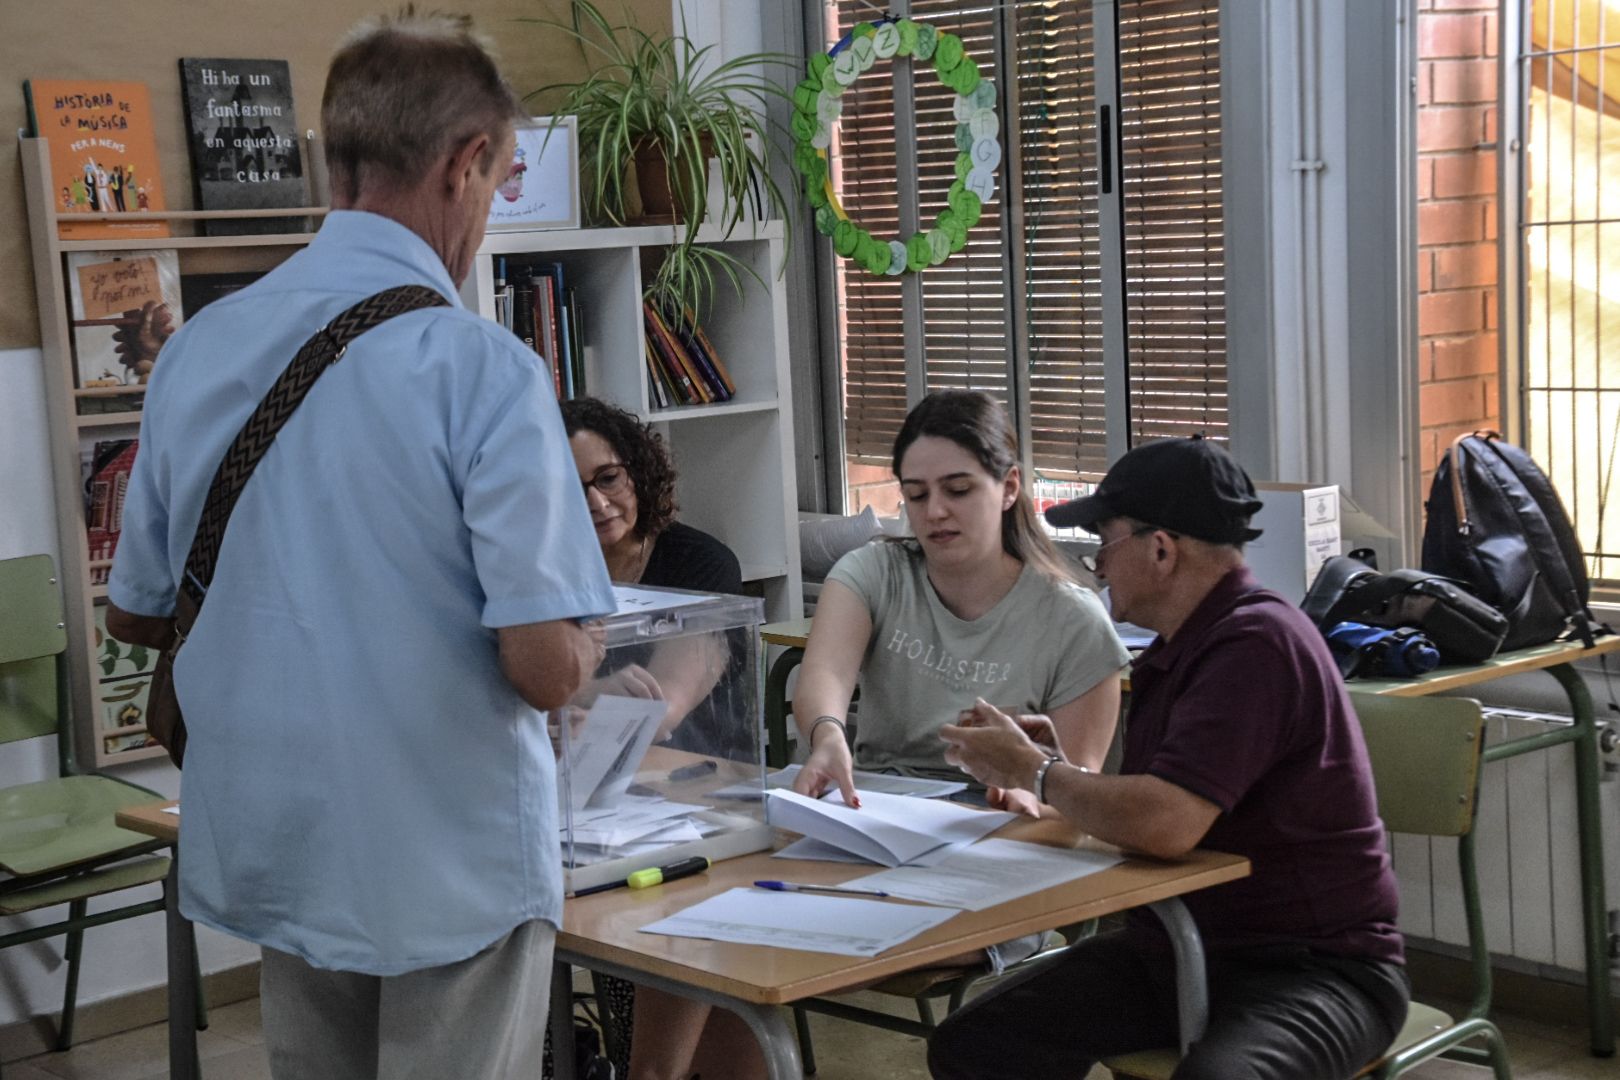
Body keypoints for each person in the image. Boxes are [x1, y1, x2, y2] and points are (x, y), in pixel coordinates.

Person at [104, 13, 614, 1079]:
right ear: (465, 163)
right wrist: (592, 645)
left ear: (336, 158)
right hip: (448, 856)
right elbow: (543, 667)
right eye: (500, 178)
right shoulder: (481, 368)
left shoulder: (199, 347)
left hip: (280, 839)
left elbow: (137, 612)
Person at [626, 389, 1129, 1080]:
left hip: (987, 859)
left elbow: (1078, 792)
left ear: (1010, 487)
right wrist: (828, 734)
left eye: (957, 490)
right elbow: (821, 679)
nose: (934, 513)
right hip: (864, 830)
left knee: (730, 944)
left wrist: (1030, 794)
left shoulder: (1073, 622)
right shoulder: (878, 570)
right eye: (916, 494)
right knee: (693, 910)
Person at [930, 435, 1409, 1080]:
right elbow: (1161, 801)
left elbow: (1165, 824)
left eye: (1106, 541)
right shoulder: (1187, 646)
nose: (1098, 565)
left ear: (1161, 549)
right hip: (1184, 947)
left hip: (1314, 967)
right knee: (979, 1043)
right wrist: (1056, 761)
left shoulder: (1255, 645)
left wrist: (1036, 771)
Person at [561, 396, 748, 1080]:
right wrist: (588, 694)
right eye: (569, 487)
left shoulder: (699, 563)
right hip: (592, 806)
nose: (594, 502)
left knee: (631, 925)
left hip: (703, 799)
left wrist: (574, 693)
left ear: (638, 473)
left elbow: (662, 707)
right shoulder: (546, 573)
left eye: (607, 478)